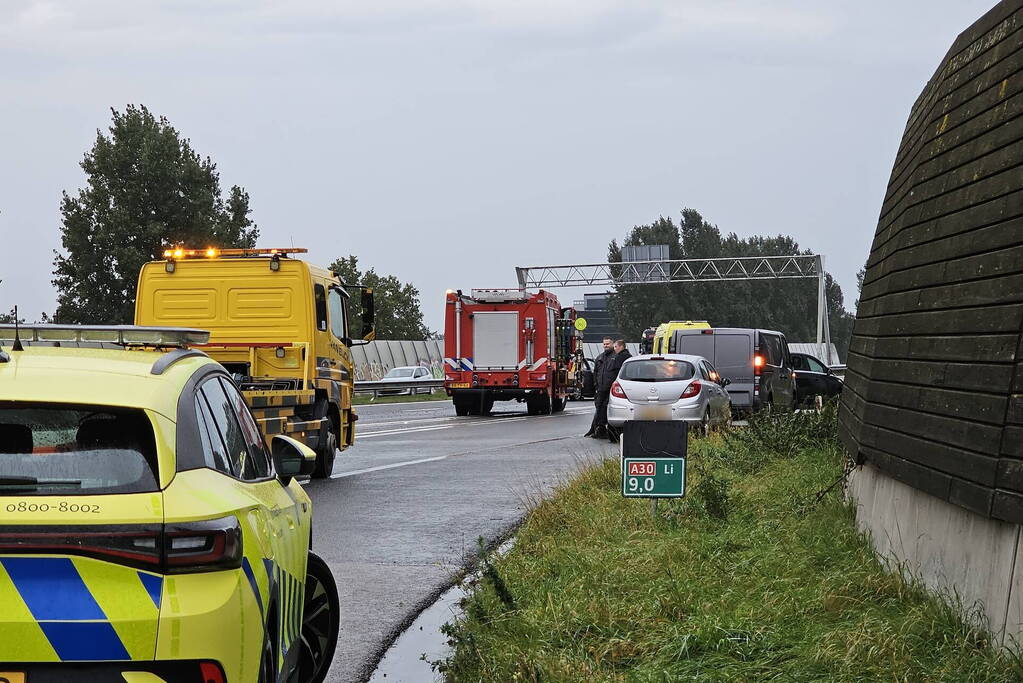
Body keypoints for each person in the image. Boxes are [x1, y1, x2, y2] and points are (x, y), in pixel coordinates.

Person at [583, 337, 614, 438]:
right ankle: (597, 429)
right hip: (600, 389)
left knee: (606, 410)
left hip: (610, 389)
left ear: (612, 344)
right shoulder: (600, 357)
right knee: (599, 408)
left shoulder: (615, 357)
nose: (606, 346)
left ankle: (604, 430)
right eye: (604, 344)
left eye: (608, 344)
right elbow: (595, 372)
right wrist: (596, 385)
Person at [605, 339, 632, 443]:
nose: (614, 349)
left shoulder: (619, 358)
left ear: (621, 347)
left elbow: (613, 372)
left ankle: (612, 434)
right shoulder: (629, 358)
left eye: (616, 347)